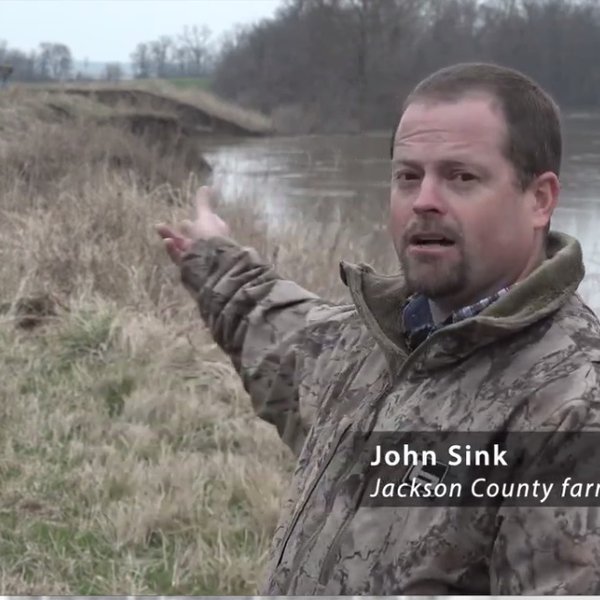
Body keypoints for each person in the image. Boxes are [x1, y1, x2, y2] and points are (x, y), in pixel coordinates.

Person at [156, 62, 600, 594]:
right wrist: (212, 258)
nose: (424, 200)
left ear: (540, 200)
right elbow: (280, 338)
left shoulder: (572, 409)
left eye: (462, 176)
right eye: (408, 176)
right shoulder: (380, 340)